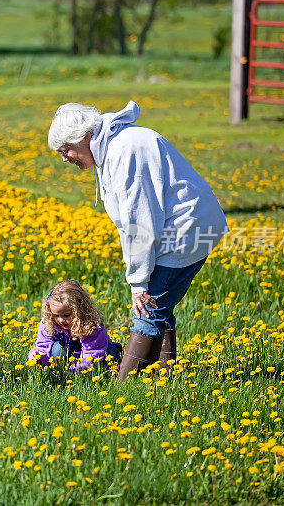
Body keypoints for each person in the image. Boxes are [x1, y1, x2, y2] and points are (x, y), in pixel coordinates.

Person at [47, 101, 228, 381]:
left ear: (84, 137)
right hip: (180, 227)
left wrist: (139, 283)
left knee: (148, 309)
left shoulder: (125, 152)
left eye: (65, 150)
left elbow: (140, 224)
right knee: (158, 306)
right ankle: (165, 377)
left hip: (185, 229)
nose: (65, 158)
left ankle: (125, 390)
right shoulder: (111, 150)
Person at [28, 280, 122, 372]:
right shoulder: (49, 322)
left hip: (97, 356)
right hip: (70, 356)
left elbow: (93, 354)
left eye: (67, 315)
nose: (61, 320)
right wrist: (37, 356)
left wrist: (74, 371)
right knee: (57, 348)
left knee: (111, 352)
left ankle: (107, 372)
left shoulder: (91, 326)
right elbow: (43, 346)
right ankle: (59, 370)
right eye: (56, 315)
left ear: (80, 310)